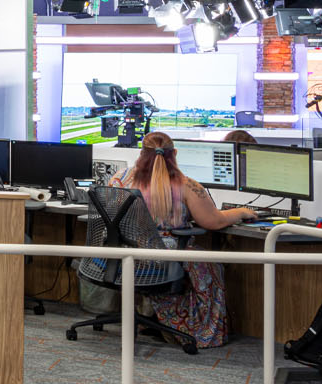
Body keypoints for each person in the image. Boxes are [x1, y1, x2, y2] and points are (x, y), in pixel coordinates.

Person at [106, 131, 256, 348]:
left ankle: (160, 320)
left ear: (141, 153)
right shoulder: (186, 185)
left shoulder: (119, 177)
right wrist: (241, 212)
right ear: (174, 154)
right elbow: (213, 221)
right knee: (210, 264)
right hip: (162, 260)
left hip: (124, 256)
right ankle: (199, 332)